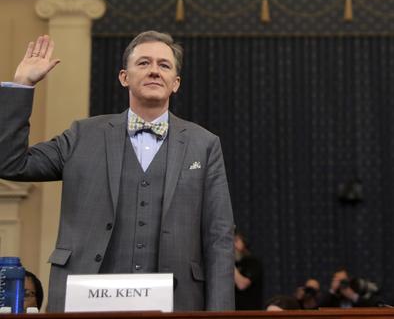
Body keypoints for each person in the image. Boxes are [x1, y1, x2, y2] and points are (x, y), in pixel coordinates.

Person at [0, 32, 235, 312]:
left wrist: (220, 314)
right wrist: (23, 85)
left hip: (177, 301)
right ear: (124, 77)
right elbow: (11, 163)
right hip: (86, 297)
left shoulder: (204, 144)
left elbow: (218, 235)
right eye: (144, 62)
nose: (154, 71)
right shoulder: (81, 135)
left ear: (176, 83)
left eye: (164, 65)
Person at [234, 230, 263, 310]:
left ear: (245, 243)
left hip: (249, 312)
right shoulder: (235, 263)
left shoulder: (253, 262)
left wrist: (228, 263)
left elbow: (242, 285)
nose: (232, 245)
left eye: (236, 240)